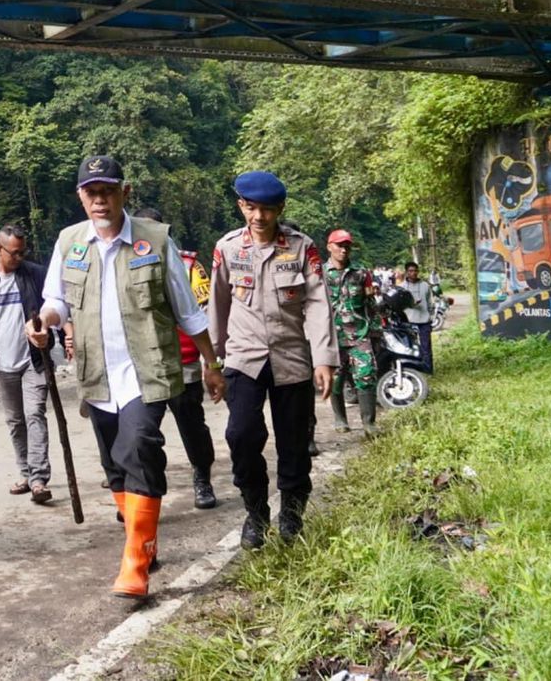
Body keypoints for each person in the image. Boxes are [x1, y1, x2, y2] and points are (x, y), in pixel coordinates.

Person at [28, 157, 224, 599]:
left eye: (108, 191)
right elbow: (56, 301)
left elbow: (186, 308)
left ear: (125, 192)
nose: (100, 200)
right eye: (91, 192)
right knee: (114, 462)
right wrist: (43, 321)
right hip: (96, 372)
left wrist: (212, 365)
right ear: (80, 196)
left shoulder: (154, 239)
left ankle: (135, 561)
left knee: (139, 447)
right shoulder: (69, 242)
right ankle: (146, 538)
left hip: (146, 370)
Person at [210, 171, 336, 549]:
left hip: (292, 357)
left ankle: (293, 513)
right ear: (240, 206)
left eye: (267, 209)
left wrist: (324, 357)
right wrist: (212, 362)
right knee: (241, 435)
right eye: (251, 208)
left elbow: (318, 303)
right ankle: (256, 511)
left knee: (294, 442)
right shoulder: (228, 248)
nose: (259, 217)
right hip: (243, 357)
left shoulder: (301, 248)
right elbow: (216, 304)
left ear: (280, 209)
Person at [135, 207, 217, 511]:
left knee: (192, 426)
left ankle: (202, 478)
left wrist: (211, 360)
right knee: (141, 433)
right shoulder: (124, 262)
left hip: (183, 361)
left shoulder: (188, 264)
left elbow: (201, 309)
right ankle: (143, 490)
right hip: (142, 364)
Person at [0, 225, 52, 504]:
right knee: (15, 422)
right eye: (14, 253)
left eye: (23, 252)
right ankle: (26, 472)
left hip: (34, 360)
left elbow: (54, 307)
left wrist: (64, 335)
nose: (20, 257)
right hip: (2, 364)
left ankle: (39, 479)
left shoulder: (36, 274)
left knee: (35, 415)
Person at [323, 230, 379, 435]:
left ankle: (369, 424)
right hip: (332, 338)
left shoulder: (361, 273)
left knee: (366, 376)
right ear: (329, 247)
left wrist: (376, 333)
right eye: (339, 245)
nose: (343, 249)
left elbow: (370, 304)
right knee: (336, 378)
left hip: (359, 335)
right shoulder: (319, 274)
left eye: (347, 245)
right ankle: (340, 419)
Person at [401, 261, 435, 328]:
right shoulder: (402, 287)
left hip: (425, 321)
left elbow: (429, 302)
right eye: (411, 271)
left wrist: (431, 315)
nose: (414, 273)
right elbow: (399, 305)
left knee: (425, 339)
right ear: (406, 272)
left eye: (416, 271)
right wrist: (411, 304)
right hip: (408, 321)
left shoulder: (425, 285)